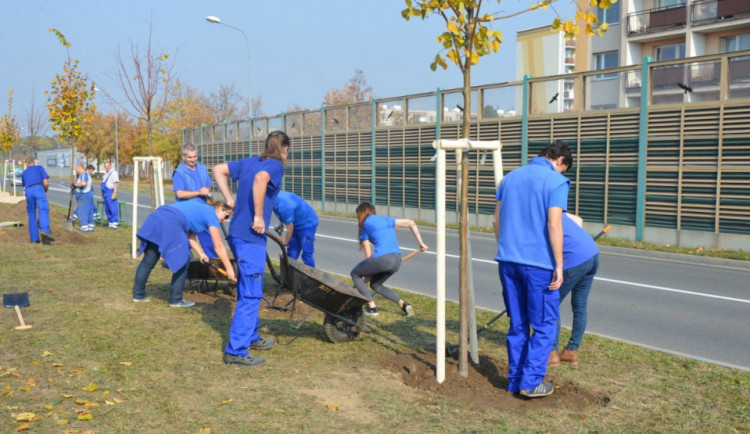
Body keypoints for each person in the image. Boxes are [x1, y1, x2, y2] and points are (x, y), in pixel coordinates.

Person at [492, 140, 572, 399]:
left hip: (508, 261)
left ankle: (515, 380)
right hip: (539, 266)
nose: (562, 172)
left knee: (518, 323)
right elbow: (554, 224)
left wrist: (506, 249)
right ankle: (531, 382)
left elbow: (496, 220)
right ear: (560, 161)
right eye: (563, 168)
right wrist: (559, 265)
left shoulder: (508, 179)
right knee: (545, 325)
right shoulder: (556, 181)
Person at [213, 131, 290, 367]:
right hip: (250, 238)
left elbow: (218, 169)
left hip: (238, 234)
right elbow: (260, 179)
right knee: (251, 293)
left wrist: (229, 199)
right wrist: (258, 215)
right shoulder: (275, 165)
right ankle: (236, 351)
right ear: (285, 149)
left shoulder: (249, 161)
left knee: (249, 284)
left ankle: (252, 336)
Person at [132, 200, 236, 307]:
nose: (224, 220)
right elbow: (219, 246)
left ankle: (138, 295)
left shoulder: (202, 210)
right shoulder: (212, 215)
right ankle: (176, 300)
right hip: (171, 222)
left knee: (149, 260)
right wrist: (229, 269)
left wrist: (201, 253)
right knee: (183, 261)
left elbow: (191, 237)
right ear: (219, 208)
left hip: (157, 217)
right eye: (226, 216)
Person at [350, 202, 428, 317]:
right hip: (397, 260)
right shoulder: (385, 219)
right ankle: (404, 305)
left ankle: (372, 307)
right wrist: (421, 243)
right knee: (376, 285)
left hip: (383, 259)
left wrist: (368, 274)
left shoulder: (364, 226)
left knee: (355, 274)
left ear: (360, 214)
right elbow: (411, 223)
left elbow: (368, 255)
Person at [548, 213, 599, 367]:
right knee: (580, 306)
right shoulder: (555, 209)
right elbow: (578, 220)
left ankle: (552, 353)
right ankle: (572, 351)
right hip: (591, 254)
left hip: (574, 261)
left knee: (551, 304)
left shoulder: (540, 213)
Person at [173, 144, 216, 257]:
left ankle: (212, 260)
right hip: (187, 211)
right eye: (190, 157)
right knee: (187, 239)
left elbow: (208, 185)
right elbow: (180, 194)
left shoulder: (202, 168)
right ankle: (185, 261)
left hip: (202, 209)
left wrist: (206, 190)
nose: (193, 159)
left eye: (195, 156)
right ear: (183, 157)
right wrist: (198, 192)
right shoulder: (179, 172)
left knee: (208, 236)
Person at [272, 190, 318, 267]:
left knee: (307, 252)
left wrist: (285, 244)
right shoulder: (273, 197)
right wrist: (281, 222)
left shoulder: (284, 206)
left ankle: (310, 273)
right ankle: (289, 272)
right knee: (292, 252)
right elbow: (280, 213)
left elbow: (290, 227)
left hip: (307, 223)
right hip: (295, 224)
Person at [21, 157, 53, 244]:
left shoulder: (24, 172)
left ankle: (34, 239)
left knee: (31, 213)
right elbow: (46, 182)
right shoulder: (39, 168)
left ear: (26, 164)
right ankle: (45, 231)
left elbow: (24, 185)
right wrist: (45, 190)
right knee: (43, 209)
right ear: (34, 162)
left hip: (28, 191)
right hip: (38, 188)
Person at [72, 163, 95, 233]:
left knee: (83, 211)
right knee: (89, 211)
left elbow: (83, 183)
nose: (76, 171)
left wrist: (75, 185)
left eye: (76, 169)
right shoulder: (87, 174)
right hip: (88, 194)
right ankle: (90, 226)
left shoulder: (84, 174)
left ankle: (84, 227)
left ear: (79, 167)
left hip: (84, 195)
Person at [101, 161, 120, 230]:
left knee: (113, 208)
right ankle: (110, 222)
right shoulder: (106, 174)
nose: (106, 167)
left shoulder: (113, 173)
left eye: (108, 166)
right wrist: (102, 192)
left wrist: (115, 192)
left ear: (110, 166)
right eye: (105, 166)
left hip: (110, 192)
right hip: (105, 193)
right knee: (107, 208)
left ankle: (114, 223)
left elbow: (115, 183)